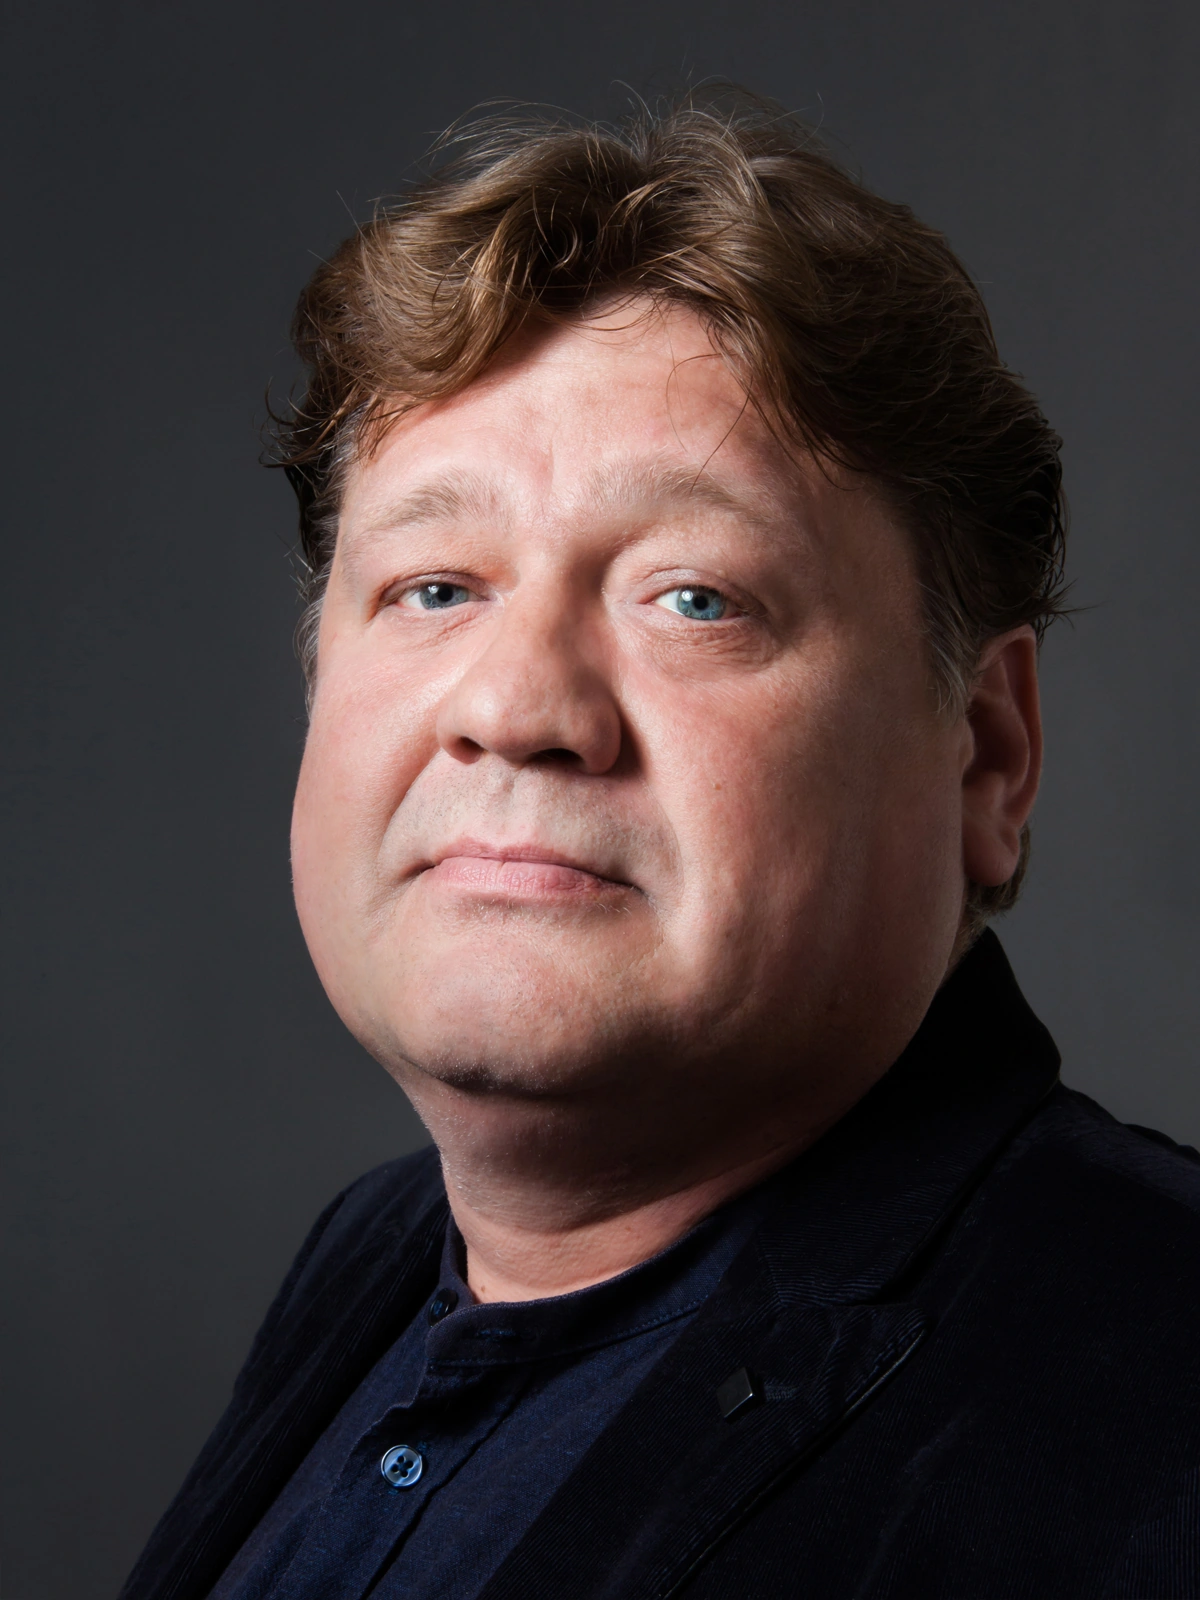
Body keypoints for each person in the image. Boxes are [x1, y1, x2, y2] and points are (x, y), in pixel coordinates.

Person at [120, 96, 1200, 1600]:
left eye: (695, 597)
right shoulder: (374, 1261)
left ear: (986, 753)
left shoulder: (1157, 1395)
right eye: (435, 588)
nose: (514, 706)